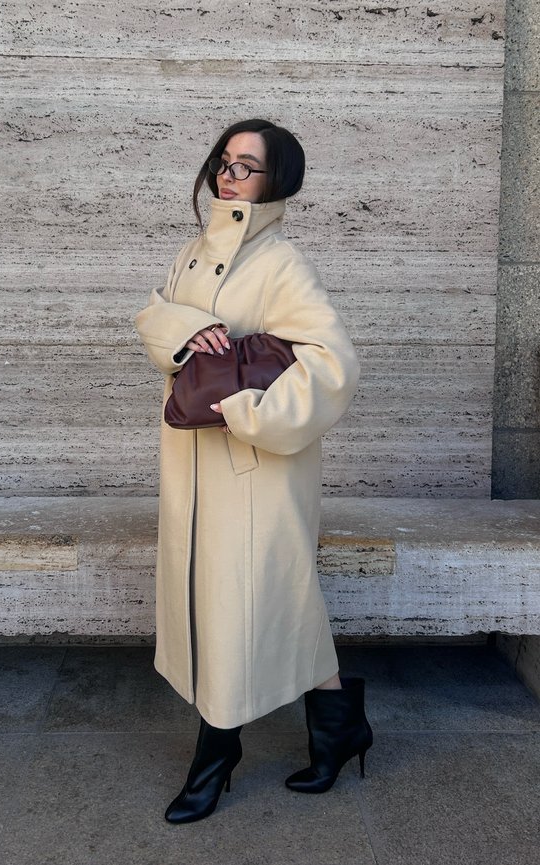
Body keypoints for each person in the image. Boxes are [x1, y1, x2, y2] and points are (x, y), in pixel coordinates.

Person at [134, 119, 372, 824]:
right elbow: (153, 318)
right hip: (192, 463)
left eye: (248, 165)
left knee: (239, 608)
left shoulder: (282, 262)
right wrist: (182, 330)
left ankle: (215, 756)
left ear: (277, 181)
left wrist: (247, 407)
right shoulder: (189, 251)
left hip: (255, 468)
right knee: (273, 605)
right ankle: (341, 730)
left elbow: (334, 365)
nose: (230, 175)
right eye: (224, 161)